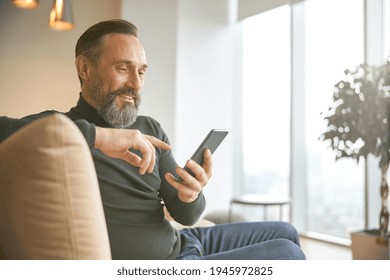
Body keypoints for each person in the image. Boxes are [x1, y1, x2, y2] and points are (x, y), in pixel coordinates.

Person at [0, 19, 305, 260]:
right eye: (122, 68)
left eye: (142, 72)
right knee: (287, 254)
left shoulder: (149, 129)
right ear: (85, 68)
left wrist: (190, 194)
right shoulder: (58, 130)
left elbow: (186, 215)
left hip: (185, 241)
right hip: (167, 265)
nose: (135, 84)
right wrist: (100, 137)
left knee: (287, 231)